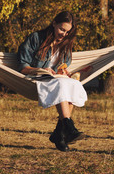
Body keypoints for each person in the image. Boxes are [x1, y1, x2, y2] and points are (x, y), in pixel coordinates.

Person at [17, 11, 87, 152]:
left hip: (55, 80)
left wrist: (63, 71)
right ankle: (67, 128)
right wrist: (39, 70)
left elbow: (64, 65)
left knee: (74, 85)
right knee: (62, 84)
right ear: (54, 23)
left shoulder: (66, 43)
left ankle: (60, 133)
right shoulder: (36, 38)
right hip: (37, 78)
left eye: (67, 32)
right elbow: (23, 67)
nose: (64, 34)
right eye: (62, 29)